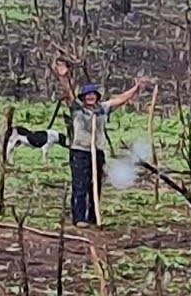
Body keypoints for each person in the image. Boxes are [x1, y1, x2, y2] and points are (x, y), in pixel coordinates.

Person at [53, 60, 150, 228]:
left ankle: (92, 217)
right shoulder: (77, 109)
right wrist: (63, 76)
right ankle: (78, 218)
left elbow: (120, 100)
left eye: (93, 95)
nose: (90, 97)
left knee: (95, 185)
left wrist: (136, 88)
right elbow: (68, 92)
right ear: (83, 98)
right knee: (80, 185)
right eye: (87, 95)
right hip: (80, 152)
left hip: (97, 152)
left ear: (97, 96)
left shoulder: (102, 109)